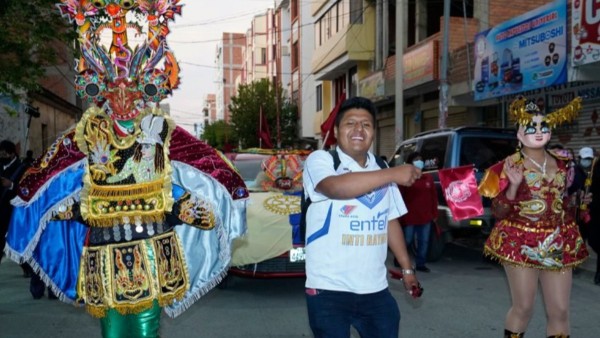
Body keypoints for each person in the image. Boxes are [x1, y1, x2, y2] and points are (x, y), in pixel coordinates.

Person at [3, 3, 248, 338]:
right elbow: (53, 170)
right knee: (113, 332)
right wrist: (38, 201)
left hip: (151, 248)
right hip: (103, 251)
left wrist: (197, 201)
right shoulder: (87, 133)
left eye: (130, 90)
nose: (122, 98)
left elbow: (203, 163)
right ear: (101, 92)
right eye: (113, 90)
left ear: (144, 90)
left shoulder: (160, 131)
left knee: (146, 329)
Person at [302, 96, 422, 337]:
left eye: (366, 124)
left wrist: (407, 270)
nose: (359, 129)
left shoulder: (381, 167)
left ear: (373, 133)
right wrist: (392, 174)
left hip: (376, 290)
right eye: (351, 123)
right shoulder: (322, 160)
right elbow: (334, 187)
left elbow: (390, 219)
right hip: (328, 290)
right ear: (336, 131)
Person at [478, 96, 588, 338]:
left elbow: (567, 201)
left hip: (556, 241)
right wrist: (514, 187)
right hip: (519, 241)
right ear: (519, 134)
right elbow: (497, 212)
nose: (538, 132)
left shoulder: (564, 164)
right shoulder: (507, 166)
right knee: (524, 307)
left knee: (560, 310)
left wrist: (579, 205)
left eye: (543, 127)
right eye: (531, 127)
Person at [398, 151, 438, 273]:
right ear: (411, 162)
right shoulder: (406, 179)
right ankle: (399, 259)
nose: (419, 162)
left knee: (424, 241)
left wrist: (434, 213)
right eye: (416, 159)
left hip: (425, 216)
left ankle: (421, 263)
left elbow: (433, 197)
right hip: (410, 216)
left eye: (421, 159)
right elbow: (400, 197)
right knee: (407, 240)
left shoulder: (428, 179)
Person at [0, 140, 31, 277]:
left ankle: (26, 266)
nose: (3, 155)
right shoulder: (1, 165)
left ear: (12, 153)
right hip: (1, 210)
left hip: (14, 211)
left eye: (5, 153)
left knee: (16, 241)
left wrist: (12, 185)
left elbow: (26, 189)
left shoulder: (22, 167)